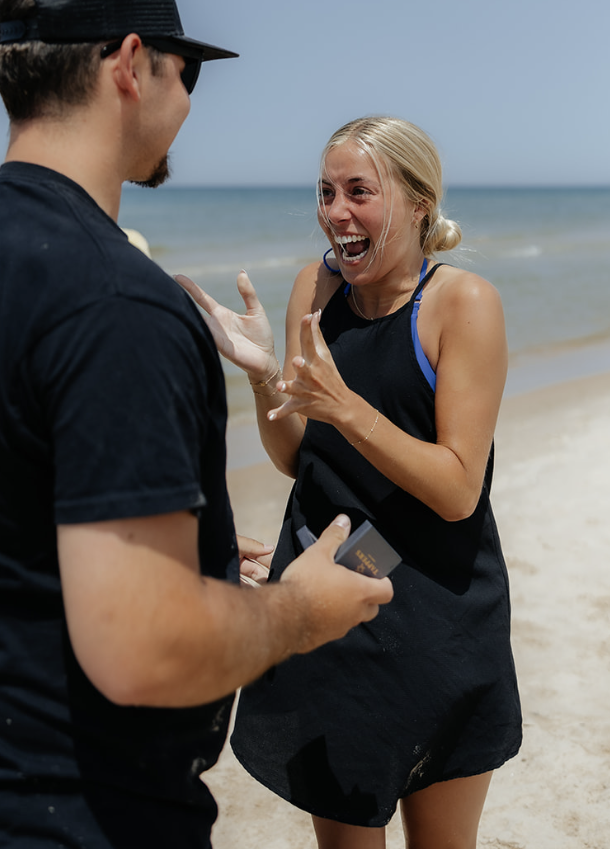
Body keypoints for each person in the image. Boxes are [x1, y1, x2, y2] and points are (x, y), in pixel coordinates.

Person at [0, 0, 393, 849]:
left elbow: (4, 512)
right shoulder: (116, 300)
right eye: (187, 70)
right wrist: (296, 613)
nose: (190, 101)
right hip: (70, 808)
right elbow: (145, 649)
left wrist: (190, 562)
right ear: (130, 64)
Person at [178, 115, 523, 849]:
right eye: (327, 191)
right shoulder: (317, 288)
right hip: (332, 611)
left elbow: (459, 487)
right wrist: (265, 374)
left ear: (419, 202)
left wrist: (346, 407)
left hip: (443, 620)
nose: (336, 213)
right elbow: (298, 453)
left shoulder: (462, 305)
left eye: (359, 191)